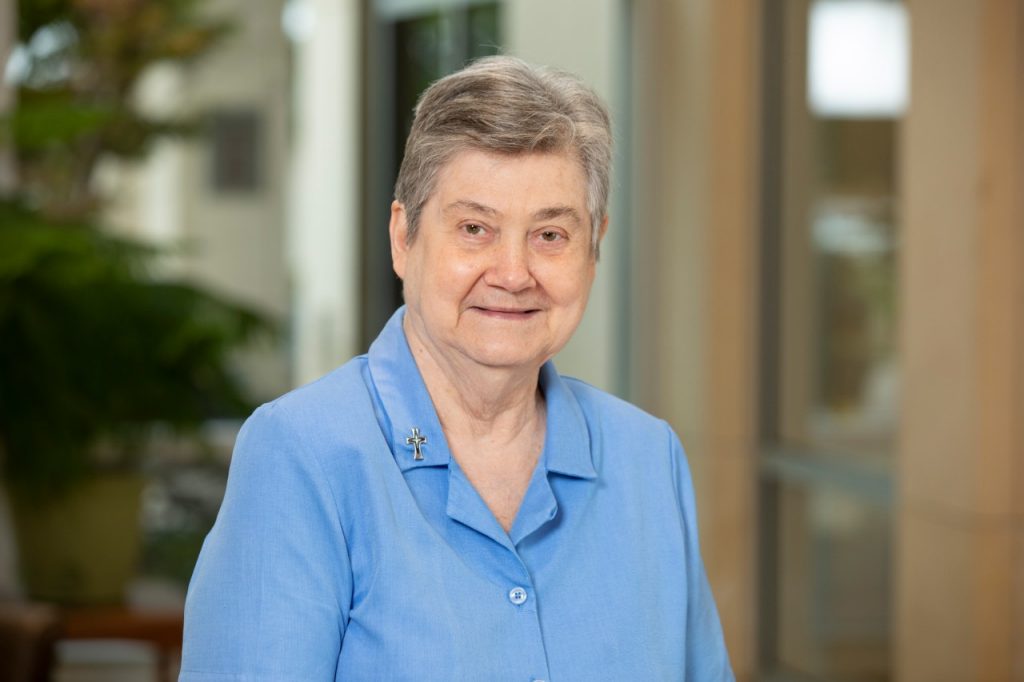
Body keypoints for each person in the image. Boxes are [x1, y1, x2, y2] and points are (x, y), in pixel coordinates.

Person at [180, 55, 734, 681]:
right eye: (475, 228)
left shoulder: (647, 458)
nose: (513, 273)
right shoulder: (303, 455)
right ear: (403, 238)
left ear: (593, 250)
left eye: (551, 235)